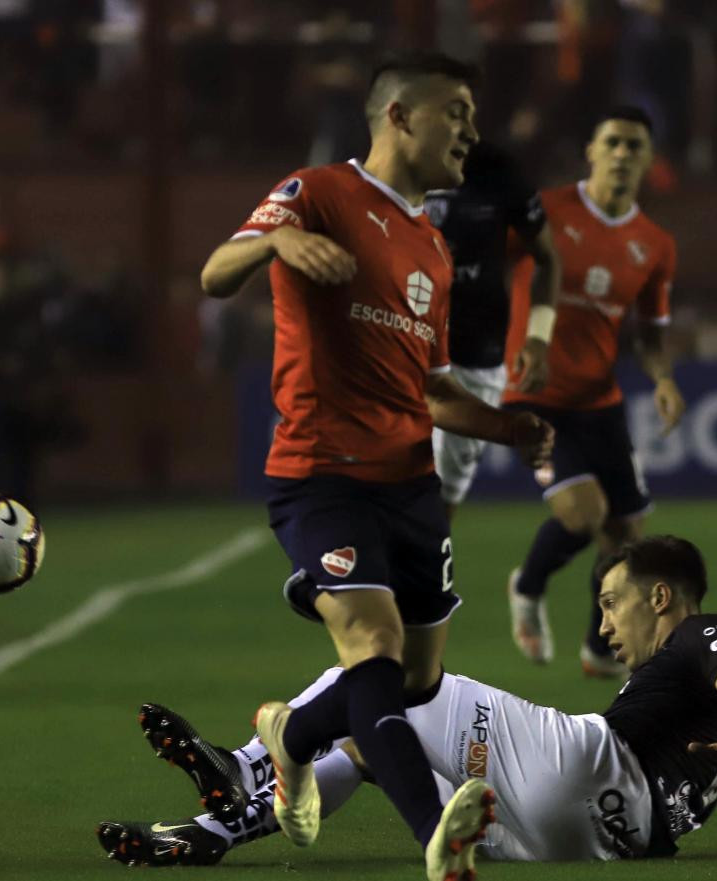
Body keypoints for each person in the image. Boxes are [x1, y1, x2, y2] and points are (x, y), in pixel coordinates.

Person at [196, 52, 554, 881]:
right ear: (398, 116)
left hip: (409, 484)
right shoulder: (316, 193)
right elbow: (215, 274)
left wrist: (508, 426)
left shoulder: (430, 245)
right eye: (455, 111)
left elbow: (430, 390)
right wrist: (278, 237)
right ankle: (438, 836)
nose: (471, 128)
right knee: (376, 647)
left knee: (418, 679)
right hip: (322, 472)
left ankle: (289, 736)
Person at [96, 535, 717, 867]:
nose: (603, 621)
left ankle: (249, 760)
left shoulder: (703, 634)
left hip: (586, 763)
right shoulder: (697, 716)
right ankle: (218, 830)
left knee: (388, 670)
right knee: (375, 743)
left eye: (611, 599)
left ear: (664, 597)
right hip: (598, 840)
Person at [501, 106, 685, 675]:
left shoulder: (654, 245)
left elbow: (650, 334)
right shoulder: (546, 211)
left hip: (599, 402)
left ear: (649, 160)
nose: (624, 154)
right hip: (533, 391)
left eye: (636, 145)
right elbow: (476, 265)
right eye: (614, 143)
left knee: (627, 535)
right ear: (591, 150)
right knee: (583, 514)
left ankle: (598, 649)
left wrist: (663, 380)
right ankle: (527, 586)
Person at [423, 140, 561, 520]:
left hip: (474, 359)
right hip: (400, 350)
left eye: (465, 110)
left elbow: (547, 259)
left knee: (442, 497)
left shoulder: (499, 175)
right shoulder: (385, 175)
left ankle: (424, 577)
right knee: (387, 487)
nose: (461, 125)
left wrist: (537, 336)